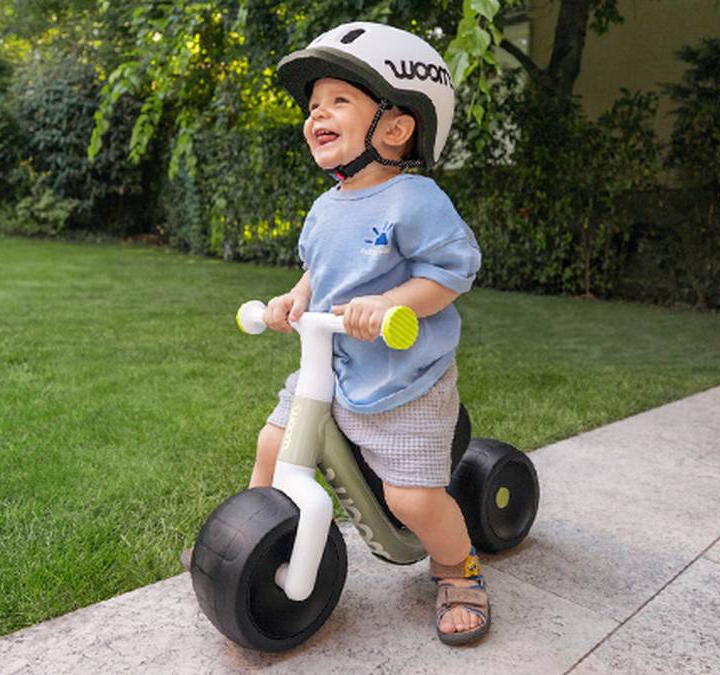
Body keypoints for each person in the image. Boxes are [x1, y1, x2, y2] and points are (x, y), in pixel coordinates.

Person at [254, 21, 488, 646]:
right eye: (313, 106)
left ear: (394, 125)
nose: (316, 115)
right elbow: (318, 271)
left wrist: (389, 302)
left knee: (410, 500)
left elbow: (451, 272)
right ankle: (254, 535)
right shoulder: (326, 206)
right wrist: (294, 299)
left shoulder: (415, 199)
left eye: (338, 101)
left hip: (402, 379)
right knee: (272, 445)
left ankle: (456, 568)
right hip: (328, 365)